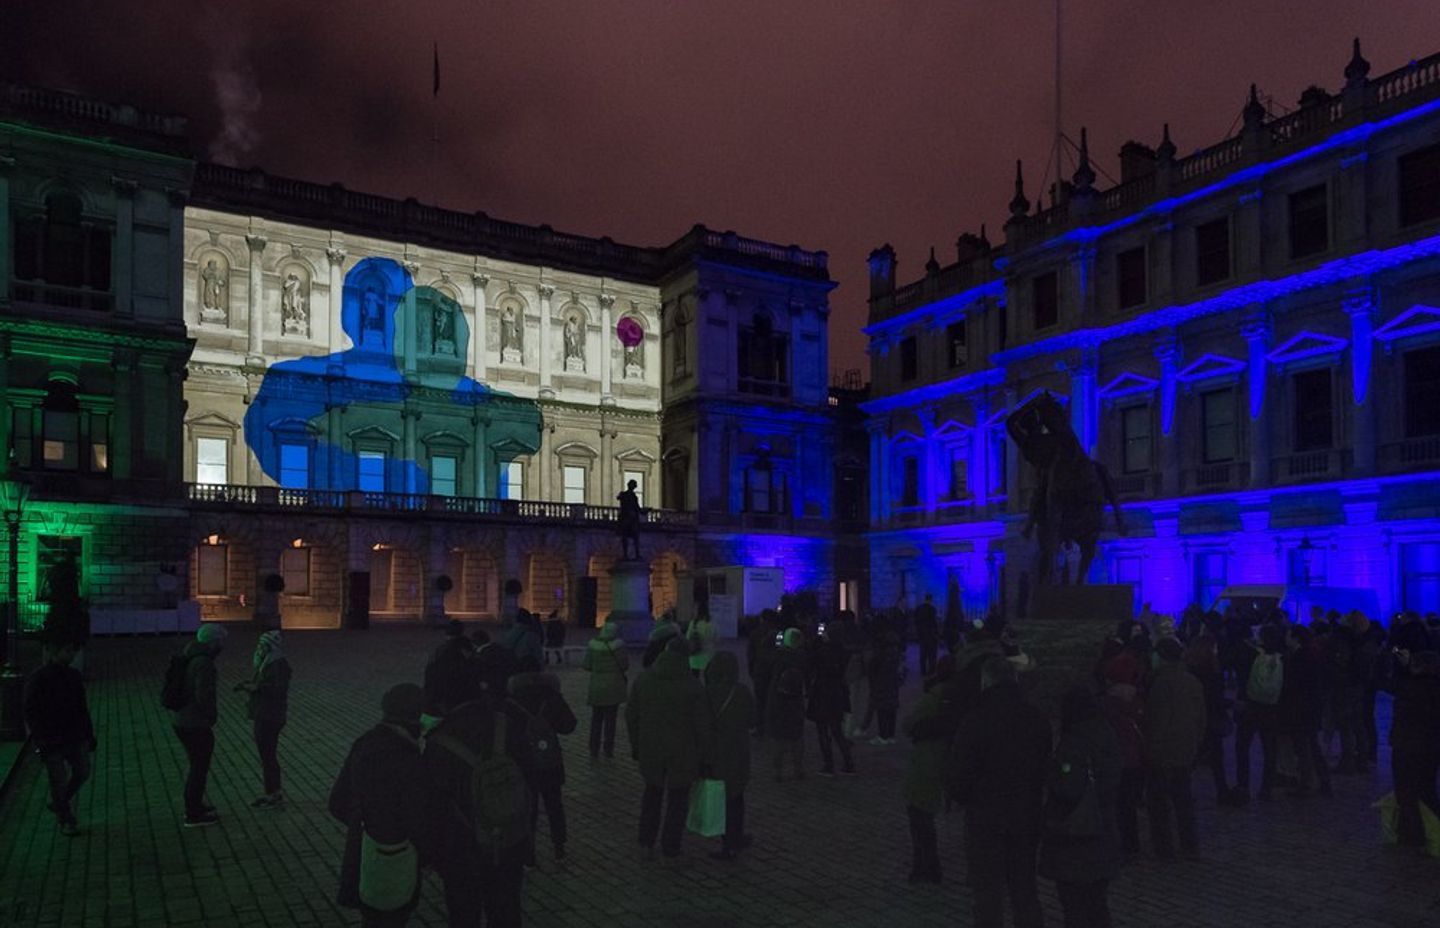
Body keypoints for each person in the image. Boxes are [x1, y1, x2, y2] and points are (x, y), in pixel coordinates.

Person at [946, 657, 1052, 928]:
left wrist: (965, 797)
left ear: (987, 681)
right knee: (1024, 888)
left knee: (987, 892)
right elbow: (1045, 763)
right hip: (1025, 813)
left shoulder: (976, 719)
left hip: (986, 816)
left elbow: (959, 774)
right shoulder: (1035, 717)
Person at [425, 671, 529, 926]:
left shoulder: (439, 740)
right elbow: (529, 780)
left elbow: (433, 804)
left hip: (461, 846)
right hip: (508, 838)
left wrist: (432, 854)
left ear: (444, 702)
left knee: (463, 914)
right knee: (506, 910)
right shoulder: (506, 724)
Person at [329, 684, 428, 928]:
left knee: (371, 916)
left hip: (363, 853)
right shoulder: (409, 756)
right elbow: (418, 816)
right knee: (394, 916)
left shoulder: (365, 744)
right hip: (399, 856)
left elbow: (337, 802)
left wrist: (361, 825)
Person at [1040, 686, 1123, 928]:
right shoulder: (1107, 733)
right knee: (1097, 903)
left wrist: (1051, 772)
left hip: (1076, 833)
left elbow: (1069, 788)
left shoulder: (1074, 742)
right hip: (1104, 827)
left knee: (1075, 904)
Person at [626, 637, 708, 858]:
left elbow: (632, 715)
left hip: (651, 747)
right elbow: (702, 725)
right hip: (683, 751)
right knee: (678, 799)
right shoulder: (693, 686)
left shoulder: (644, 679)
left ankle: (646, 840)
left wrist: (636, 743)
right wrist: (703, 753)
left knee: (652, 794)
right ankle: (671, 845)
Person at [507, 656, 578, 866]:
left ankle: (528, 853)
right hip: (549, 759)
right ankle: (559, 848)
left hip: (523, 762)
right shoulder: (551, 694)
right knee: (554, 805)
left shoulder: (511, 699)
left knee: (528, 808)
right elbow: (569, 725)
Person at [23, 639, 95, 836]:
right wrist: (40, 738)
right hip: (51, 738)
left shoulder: (73, 676)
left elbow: (82, 707)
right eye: (67, 651)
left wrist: (88, 734)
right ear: (54, 652)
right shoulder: (39, 678)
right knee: (59, 780)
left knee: (82, 771)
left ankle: (60, 803)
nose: (71, 655)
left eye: (72, 651)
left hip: (73, 734)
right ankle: (65, 818)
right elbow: (31, 710)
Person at [1145, 637, 1207, 859]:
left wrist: (1152, 749)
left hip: (1163, 750)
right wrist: (1195, 742)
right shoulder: (1192, 680)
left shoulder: (1161, 683)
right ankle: (1190, 845)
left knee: (1159, 801)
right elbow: (1201, 717)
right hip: (1186, 747)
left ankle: (1164, 848)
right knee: (1183, 799)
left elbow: (1158, 720)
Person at [901, 656, 954, 883]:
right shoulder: (966, 697)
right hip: (947, 758)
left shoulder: (936, 696)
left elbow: (907, 724)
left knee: (920, 814)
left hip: (929, 759)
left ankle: (926, 866)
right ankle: (929, 866)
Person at [701, 651, 756, 860]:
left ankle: (728, 841)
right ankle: (735, 836)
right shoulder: (741, 692)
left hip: (715, 751)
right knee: (736, 796)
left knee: (720, 797)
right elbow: (753, 720)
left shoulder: (706, 693)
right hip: (737, 750)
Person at [172, 623, 227, 827]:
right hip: (194, 722)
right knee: (199, 767)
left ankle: (195, 805)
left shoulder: (191, 656)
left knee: (196, 765)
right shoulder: (204, 663)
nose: (222, 645)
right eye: (221, 641)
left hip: (183, 720)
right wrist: (211, 716)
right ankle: (193, 813)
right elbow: (204, 694)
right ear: (213, 642)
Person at [1387, 649, 1440, 849]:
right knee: (1426, 790)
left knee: (1406, 792)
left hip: (1408, 745)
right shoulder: (1432, 686)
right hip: (1429, 746)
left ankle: (1412, 836)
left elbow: (1390, 685)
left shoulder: (1412, 687)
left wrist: (1404, 669)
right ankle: (1429, 832)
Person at [234, 630, 292, 808]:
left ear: (271, 646)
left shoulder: (276, 664)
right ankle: (273, 792)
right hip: (267, 713)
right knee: (267, 755)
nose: (259, 648)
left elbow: (275, 689)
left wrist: (254, 688)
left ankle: (273, 794)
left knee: (268, 756)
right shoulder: (269, 661)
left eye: (263, 644)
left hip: (269, 715)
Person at [1099, 652, 1146, 856]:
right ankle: (1131, 845)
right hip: (1135, 758)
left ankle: (1117, 846)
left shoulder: (1107, 704)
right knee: (1128, 806)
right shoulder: (1139, 699)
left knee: (1115, 805)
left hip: (1115, 760)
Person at [1183, 634, 1234, 806]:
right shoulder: (1212, 671)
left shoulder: (1191, 669)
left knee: (1201, 754)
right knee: (1211, 755)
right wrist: (1230, 704)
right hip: (1211, 716)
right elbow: (1213, 697)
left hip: (1197, 716)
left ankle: (1181, 789)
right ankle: (1221, 791)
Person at [806, 623, 855, 777]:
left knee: (822, 730)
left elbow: (811, 663)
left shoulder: (822, 651)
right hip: (837, 692)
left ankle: (829, 765)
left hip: (822, 691)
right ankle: (849, 763)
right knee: (837, 730)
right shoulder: (843, 651)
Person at [582, 621, 630, 758]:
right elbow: (625, 665)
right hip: (614, 686)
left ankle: (594, 748)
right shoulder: (619, 646)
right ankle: (608, 749)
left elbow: (586, 665)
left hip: (597, 685)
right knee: (611, 720)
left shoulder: (592, 645)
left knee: (596, 719)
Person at [423, 621, 474, 720]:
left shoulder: (443, 650)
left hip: (446, 696)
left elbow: (433, 673)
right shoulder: (469, 648)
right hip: (466, 696)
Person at [867, 624, 904, 745]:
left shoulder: (880, 654)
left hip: (881, 684)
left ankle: (883, 735)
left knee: (882, 710)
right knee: (891, 710)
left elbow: (872, 669)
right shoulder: (896, 654)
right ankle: (891, 735)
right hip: (893, 684)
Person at [913, 594, 940, 677]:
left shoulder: (919, 608)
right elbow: (934, 623)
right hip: (931, 635)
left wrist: (918, 632)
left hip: (922, 634)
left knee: (923, 654)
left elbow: (916, 621)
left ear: (924, 599)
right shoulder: (932, 609)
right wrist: (937, 633)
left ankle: (923, 670)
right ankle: (931, 670)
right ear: (931, 600)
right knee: (931, 654)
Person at [687, 608, 718, 677]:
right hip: (709, 654)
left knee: (695, 675)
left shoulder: (693, 624)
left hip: (695, 653)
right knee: (708, 675)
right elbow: (716, 639)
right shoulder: (711, 624)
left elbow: (688, 637)